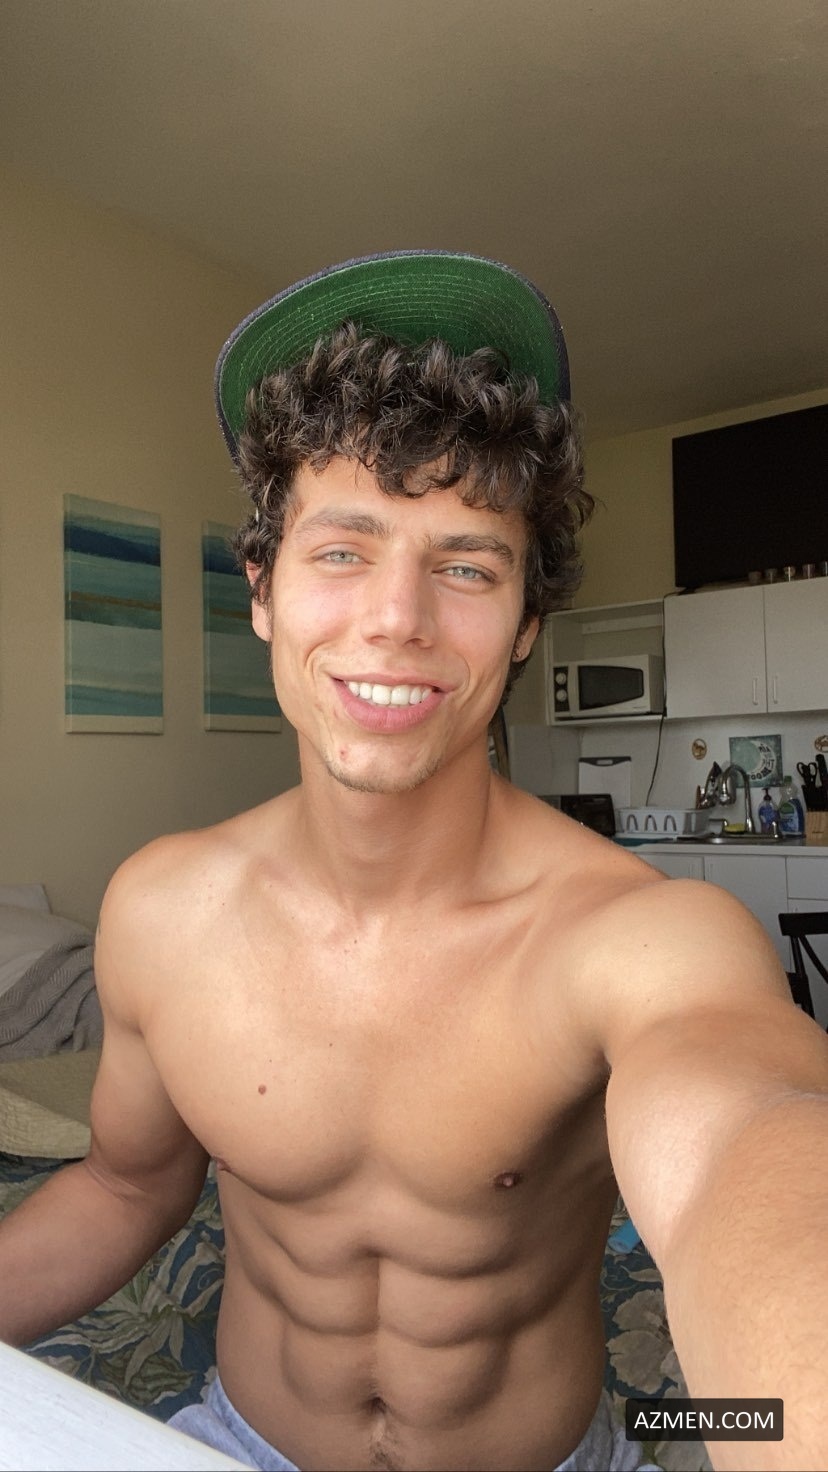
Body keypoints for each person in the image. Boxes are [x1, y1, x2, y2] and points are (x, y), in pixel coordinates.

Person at [1, 251, 827, 1472]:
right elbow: (126, 1187)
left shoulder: (648, 937)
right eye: (343, 550)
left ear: (526, 622)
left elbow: (749, 1150)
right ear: (262, 590)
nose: (398, 616)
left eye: (466, 565)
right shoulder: (161, 911)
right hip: (242, 1440)